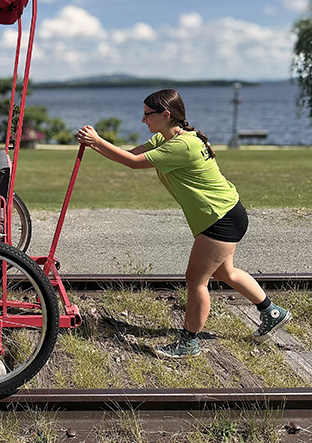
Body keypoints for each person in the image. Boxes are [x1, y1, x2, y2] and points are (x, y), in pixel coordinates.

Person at [77, 88, 291, 358]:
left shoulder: (182, 146)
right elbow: (128, 154)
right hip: (225, 213)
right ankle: (272, 312)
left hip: (220, 218)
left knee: (196, 280)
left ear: (166, 115)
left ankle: (189, 342)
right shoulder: (165, 138)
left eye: (147, 115)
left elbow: (132, 162)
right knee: (226, 273)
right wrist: (94, 143)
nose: (143, 120)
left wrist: (96, 139)